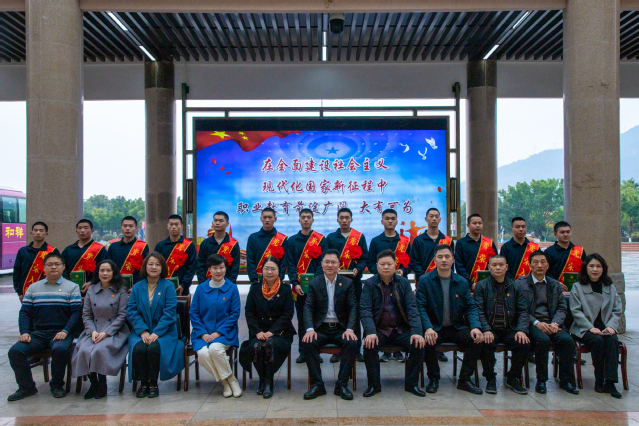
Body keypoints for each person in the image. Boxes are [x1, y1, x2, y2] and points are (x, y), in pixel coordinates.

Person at [7, 252, 82, 401]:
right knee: (15, 351)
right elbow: (25, 312)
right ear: (43, 268)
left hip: (61, 332)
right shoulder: (33, 288)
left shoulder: (72, 287)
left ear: (63, 267)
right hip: (38, 333)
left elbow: (76, 313)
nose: (53, 267)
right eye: (50, 264)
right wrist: (24, 332)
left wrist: (66, 331)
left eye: (57, 264)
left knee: (59, 349)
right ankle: (27, 387)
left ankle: (57, 386)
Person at [417, 245, 484, 395]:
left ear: (453, 259)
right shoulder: (425, 280)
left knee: (476, 339)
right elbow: (420, 307)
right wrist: (428, 327)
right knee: (427, 340)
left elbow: (471, 307)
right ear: (434, 260)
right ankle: (434, 378)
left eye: (447, 256)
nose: (444, 260)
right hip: (435, 327)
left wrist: (475, 326)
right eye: (440, 257)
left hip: (456, 327)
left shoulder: (461, 281)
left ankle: (464, 379)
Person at [360, 249, 425, 397]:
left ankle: (412, 384)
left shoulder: (403, 283)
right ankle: (374, 385)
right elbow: (365, 310)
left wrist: (416, 332)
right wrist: (370, 332)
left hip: (400, 330)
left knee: (418, 343)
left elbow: (412, 308)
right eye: (382, 264)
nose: (386, 267)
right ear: (377, 266)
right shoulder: (369, 284)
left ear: (395, 265)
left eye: (389, 264)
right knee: (369, 345)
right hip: (379, 330)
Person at [516, 250, 578, 395]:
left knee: (567, 341)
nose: (539, 265)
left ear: (548, 265)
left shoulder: (555, 284)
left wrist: (555, 323)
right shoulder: (520, 284)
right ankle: (541, 380)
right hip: (532, 324)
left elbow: (562, 307)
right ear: (530, 265)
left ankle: (566, 380)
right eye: (536, 262)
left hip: (552, 324)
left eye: (543, 262)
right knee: (542, 340)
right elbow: (520, 309)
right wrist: (537, 323)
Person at [301, 249, 358, 401]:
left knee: (352, 342)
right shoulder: (314, 283)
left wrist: (350, 329)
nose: (330, 265)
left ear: (339, 265)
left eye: (333, 262)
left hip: (340, 328)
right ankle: (317, 385)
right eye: (327, 262)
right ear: (322, 264)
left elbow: (353, 307)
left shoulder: (347, 283)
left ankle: (342, 385)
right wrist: (310, 329)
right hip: (321, 328)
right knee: (307, 342)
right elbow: (308, 307)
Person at [127, 252, 185, 398]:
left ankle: (153, 383)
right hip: (141, 331)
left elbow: (169, 313)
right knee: (139, 348)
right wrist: (143, 331)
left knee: (153, 347)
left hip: (164, 331)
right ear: (145, 267)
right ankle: (143, 384)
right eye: (151, 264)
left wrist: (156, 333)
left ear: (162, 267)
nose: (154, 267)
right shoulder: (137, 287)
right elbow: (132, 311)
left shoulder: (168, 286)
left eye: (157, 264)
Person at [71, 259, 130, 399]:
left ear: (114, 273)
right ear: (97, 273)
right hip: (93, 330)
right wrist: (92, 331)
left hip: (114, 331)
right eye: (102, 270)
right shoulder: (91, 290)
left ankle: (103, 384)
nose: (105, 273)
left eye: (108, 270)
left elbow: (122, 316)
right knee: (84, 350)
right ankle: (94, 384)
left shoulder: (121, 291)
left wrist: (106, 333)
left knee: (99, 350)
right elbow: (86, 315)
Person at [240, 256, 295, 399]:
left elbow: (288, 314)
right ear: (261, 270)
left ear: (279, 271)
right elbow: (249, 313)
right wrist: (258, 331)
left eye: (273, 269)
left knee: (268, 344)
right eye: (266, 268)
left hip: (280, 333)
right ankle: (262, 379)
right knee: (258, 345)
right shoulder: (255, 288)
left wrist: (272, 332)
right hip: (259, 332)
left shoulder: (285, 289)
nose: (270, 272)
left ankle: (268, 382)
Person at [570, 253, 623, 399]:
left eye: (598, 266)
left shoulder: (610, 287)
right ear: (586, 268)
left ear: (603, 269)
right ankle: (599, 380)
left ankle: (610, 382)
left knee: (612, 340)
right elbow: (576, 311)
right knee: (597, 341)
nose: (595, 269)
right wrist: (589, 327)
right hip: (583, 328)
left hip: (605, 327)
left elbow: (617, 309)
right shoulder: (577, 287)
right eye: (591, 266)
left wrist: (611, 326)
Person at [474, 254, 529, 395]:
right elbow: (479, 310)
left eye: (501, 265)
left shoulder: (515, 286)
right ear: (489, 267)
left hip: (510, 328)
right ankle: (490, 378)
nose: (497, 268)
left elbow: (523, 310)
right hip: (491, 328)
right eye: (494, 265)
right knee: (486, 342)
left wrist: (521, 330)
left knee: (523, 343)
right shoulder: (481, 286)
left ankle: (512, 378)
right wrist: (486, 329)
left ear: (506, 267)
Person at [190, 253, 242, 398]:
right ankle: (228, 381)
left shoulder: (232, 288)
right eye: (215, 268)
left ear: (226, 268)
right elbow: (194, 313)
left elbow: (234, 314)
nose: (218, 271)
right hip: (202, 334)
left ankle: (229, 382)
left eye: (221, 267)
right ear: (209, 269)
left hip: (225, 333)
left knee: (215, 349)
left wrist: (218, 332)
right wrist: (203, 333)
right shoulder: (201, 289)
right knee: (202, 354)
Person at [367, 209, 411, 363]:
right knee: (383, 312)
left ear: (397, 221)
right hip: (380, 284)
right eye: (387, 218)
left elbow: (410, 262)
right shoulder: (376, 241)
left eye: (393, 218)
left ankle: (398, 350)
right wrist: (380, 273)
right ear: (382, 221)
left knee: (398, 311)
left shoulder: (405, 241)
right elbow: (370, 262)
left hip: (399, 283)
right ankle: (385, 351)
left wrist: (403, 271)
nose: (390, 221)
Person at [326, 207, 368, 363]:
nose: (344, 220)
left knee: (354, 313)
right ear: (337, 220)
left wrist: (358, 268)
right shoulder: (331, 238)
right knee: (338, 313)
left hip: (354, 282)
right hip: (335, 282)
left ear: (351, 219)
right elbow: (328, 258)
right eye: (341, 218)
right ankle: (339, 350)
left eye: (347, 217)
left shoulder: (359, 237)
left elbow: (364, 258)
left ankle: (356, 350)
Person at [287, 208, 328, 363]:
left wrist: (316, 282)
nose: (305, 219)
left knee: (317, 319)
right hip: (298, 288)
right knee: (302, 320)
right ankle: (303, 351)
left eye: (308, 217)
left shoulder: (320, 240)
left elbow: (323, 262)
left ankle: (315, 351)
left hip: (317, 287)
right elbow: (291, 264)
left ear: (312, 220)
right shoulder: (292, 241)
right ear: (299, 220)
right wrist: (294, 282)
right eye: (303, 217)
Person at [13, 222, 59, 301]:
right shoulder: (23, 251)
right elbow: (17, 272)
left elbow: (58, 272)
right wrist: (19, 292)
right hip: (27, 291)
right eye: (35, 230)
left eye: (41, 230)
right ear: (31, 233)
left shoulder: (53, 251)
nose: (38, 233)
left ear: (46, 233)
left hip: (48, 291)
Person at [154, 214, 197, 295]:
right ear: (167, 226)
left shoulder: (189, 245)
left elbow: (191, 267)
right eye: (171, 224)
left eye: (176, 224)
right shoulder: (160, 246)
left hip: (182, 288)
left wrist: (184, 284)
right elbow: (155, 265)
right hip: (162, 286)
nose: (173, 227)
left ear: (181, 226)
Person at [409, 208, 454, 283]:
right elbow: (414, 262)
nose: (434, 219)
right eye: (431, 216)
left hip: (444, 280)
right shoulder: (418, 240)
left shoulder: (448, 240)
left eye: (436, 216)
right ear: (426, 219)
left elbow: (452, 262)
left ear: (440, 219)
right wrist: (425, 278)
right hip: (423, 281)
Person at [454, 213, 498, 290]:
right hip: (467, 285)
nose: (478, 225)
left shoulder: (489, 242)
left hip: (488, 285)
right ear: (468, 225)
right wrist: (470, 283)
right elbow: (459, 266)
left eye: (480, 223)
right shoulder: (461, 243)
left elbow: (495, 262)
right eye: (474, 223)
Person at [62, 219, 107, 290]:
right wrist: (68, 283)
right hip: (70, 288)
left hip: (94, 288)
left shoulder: (100, 249)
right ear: (76, 231)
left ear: (92, 231)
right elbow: (62, 268)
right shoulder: (68, 250)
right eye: (80, 228)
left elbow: (105, 269)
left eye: (86, 228)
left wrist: (91, 282)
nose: (82, 230)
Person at [246, 208, 288, 284]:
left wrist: (279, 280)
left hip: (276, 281)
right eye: (265, 217)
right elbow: (250, 261)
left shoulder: (282, 239)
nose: (267, 220)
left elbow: (283, 263)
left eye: (270, 217)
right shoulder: (253, 238)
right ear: (261, 219)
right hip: (257, 281)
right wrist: (254, 281)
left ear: (275, 219)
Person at [196, 211, 240, 284]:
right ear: (212, 223)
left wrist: (229, 285)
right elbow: (200, 265)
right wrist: (203, 284)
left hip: (227, 284)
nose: (217, 223)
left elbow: (235, 268)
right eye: (215, 220)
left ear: (227, 224)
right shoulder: (205, 243)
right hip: (207, 284)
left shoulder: (233, 244)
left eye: (221, 221)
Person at [545, 221, 587, 290]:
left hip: (578, 289)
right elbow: (545, 272)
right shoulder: (549, 252)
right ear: (555, 234)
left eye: (568, 232)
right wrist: (555, 283)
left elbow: (585, 270)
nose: (565, 234)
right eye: (562, 232)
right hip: (556, 289)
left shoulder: (580, 251)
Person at [108, 216, 149, 284]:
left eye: (131, 226)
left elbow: (145, 268)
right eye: (125, 226)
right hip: (116, 284)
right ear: (121, 228)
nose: (127, 228)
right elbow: (109, 266)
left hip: (136, 285)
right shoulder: (113, 247)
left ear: (136, 228)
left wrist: (137, 286)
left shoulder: (143, 246)